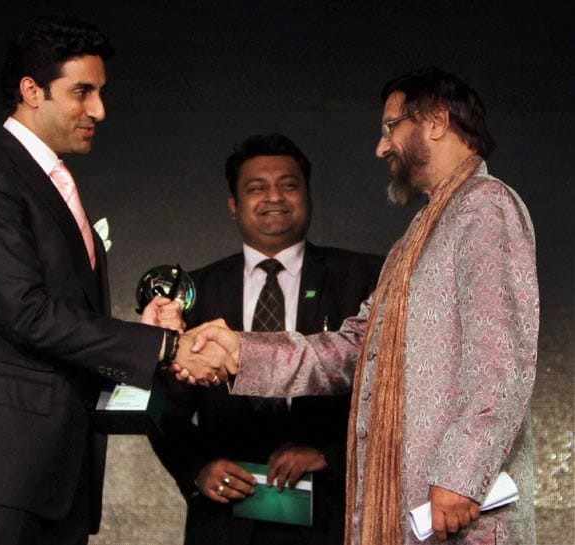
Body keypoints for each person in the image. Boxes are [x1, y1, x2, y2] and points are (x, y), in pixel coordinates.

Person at [179, 67, 539, 545]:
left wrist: (461, 474)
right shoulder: (419, 235)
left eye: (391, 127)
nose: (382, 146)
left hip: (454, 511)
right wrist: (240, 352)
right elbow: (354, 348)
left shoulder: (486, 207)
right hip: (411, 509)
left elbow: (502, 362)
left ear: (435, 120)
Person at [0, 14, 227, 545]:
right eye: (82, 92)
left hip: (55, 474)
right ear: (31, 91)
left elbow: (58, 315)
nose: (99, 110)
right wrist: (165, 347)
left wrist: (138, 328)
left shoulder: (49, 178)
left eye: (101, 93)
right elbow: (25, 314)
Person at [150, 134, 383, 545]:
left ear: (308, 195)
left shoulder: (365, 278)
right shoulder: (193, 291)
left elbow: (391, 396)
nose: (274, 197)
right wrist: (197, 468)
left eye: (289, 184)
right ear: (233, 205)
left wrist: (331, 456)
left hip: (332, 511)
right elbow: (164, 405)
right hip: (225, 518)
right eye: (256, 187)